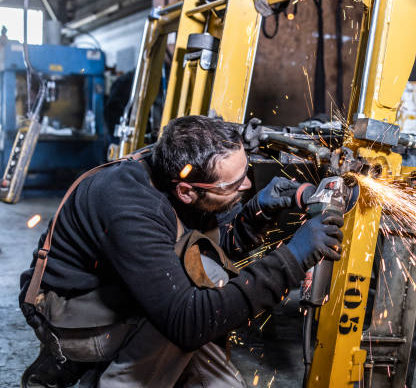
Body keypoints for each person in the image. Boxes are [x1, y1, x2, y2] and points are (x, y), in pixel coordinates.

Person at [19, 115, 344, 387]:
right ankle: (95, 370)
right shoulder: (129, 207)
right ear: (186, 192)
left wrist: (258, 211)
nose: (246, 185)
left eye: (245, 174)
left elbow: (207, 248)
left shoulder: (176, 165)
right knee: (202, 292)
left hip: (119, 285)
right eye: (234, 184)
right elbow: (188, 322)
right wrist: (292, 259)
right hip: (66, 312)